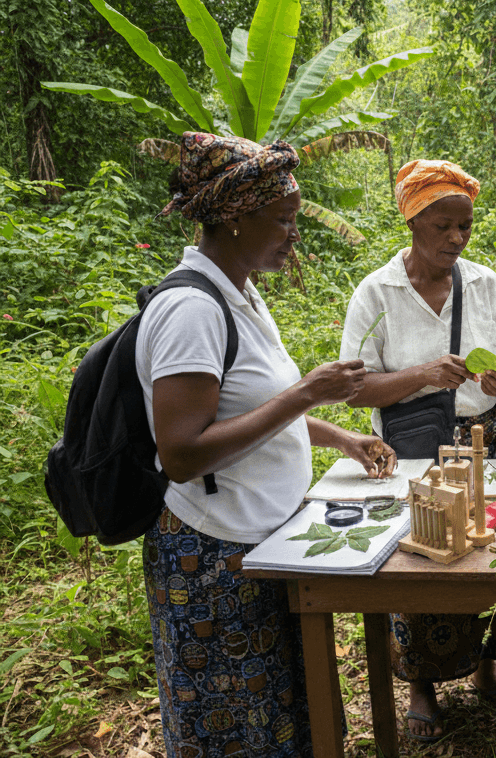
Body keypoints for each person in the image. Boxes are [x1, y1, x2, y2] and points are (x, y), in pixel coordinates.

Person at [139, 132, 397, 757]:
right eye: (282, 220)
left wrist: (340, 438)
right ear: (234, 218)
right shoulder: (191, 311)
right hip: (212, 558)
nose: (294, 234)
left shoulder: (241, 293)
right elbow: (182, 452)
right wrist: (309, 392)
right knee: (233, 725)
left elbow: (252, 411)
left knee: (283, 712)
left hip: (259, 543)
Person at [339, 159, 496, 742]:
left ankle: (488, 668)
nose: (456, 238)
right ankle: (421, 683)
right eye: (442, 226)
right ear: (412, 223)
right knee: (421, 558)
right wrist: (423, 374)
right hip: (418, 451)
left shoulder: (484, 284)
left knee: (492, 553)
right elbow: (354, 389)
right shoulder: (377, 293)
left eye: (464, 226)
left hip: (485, 441)